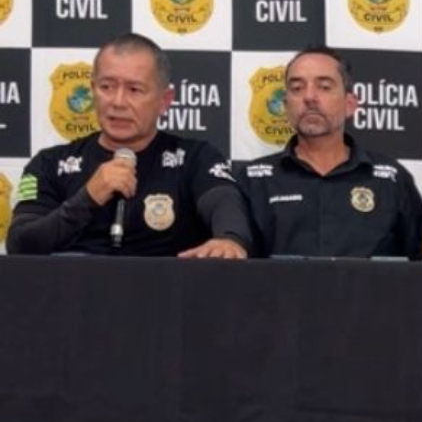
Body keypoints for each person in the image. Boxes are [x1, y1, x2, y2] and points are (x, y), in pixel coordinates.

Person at [8, 33, 251, 257]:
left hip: (166, 289)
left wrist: (231, 239)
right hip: (75, 289)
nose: (118, 102)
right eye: (106, 87)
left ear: (164, 100)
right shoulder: (50, 163)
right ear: (93, 90)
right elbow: (20, 244)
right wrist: (87, 198)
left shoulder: (196, 158)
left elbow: (225, 203)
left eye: (134, 90)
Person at [239, 45, 422, 258]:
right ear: (286, 105)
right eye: (297, 88)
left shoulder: (391, 179)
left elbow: (420, 266)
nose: (309, 97)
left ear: (350, 104)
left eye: (324, 87)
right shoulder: (254, 181)